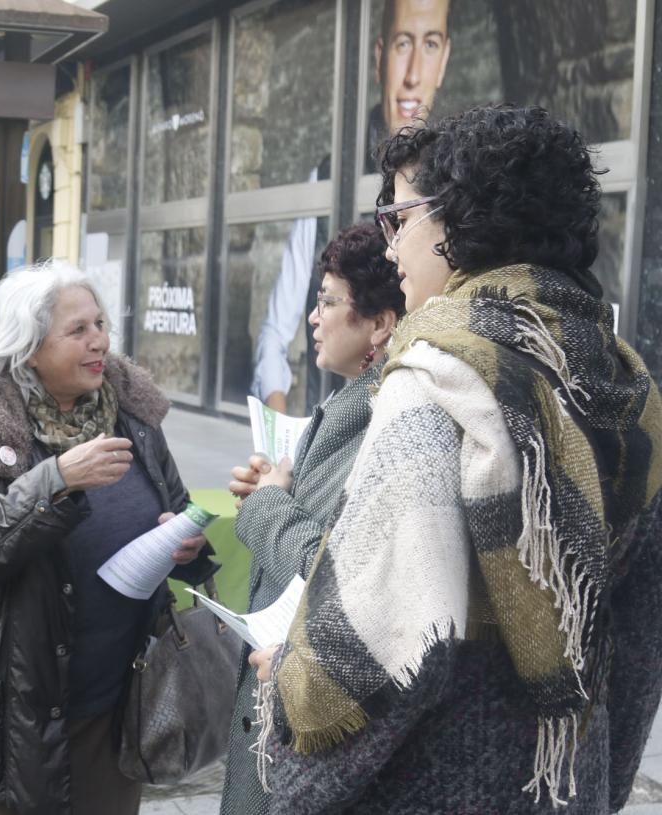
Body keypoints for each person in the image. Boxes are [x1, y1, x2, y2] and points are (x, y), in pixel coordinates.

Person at [250, 105, 662, 812]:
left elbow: (388, 643)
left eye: (400, 219)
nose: (389, 249)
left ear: (458, 224)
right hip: (561, 781)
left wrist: (286, 717)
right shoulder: (629, 387)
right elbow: (641, 648)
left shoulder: (441, 378)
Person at [0, 261, 218, 814]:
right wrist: (55, 480)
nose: (99, 340)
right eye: (77, 330)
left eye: (101, 324)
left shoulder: (135, 421)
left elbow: (175, 510)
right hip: (10, 717)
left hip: (117, 706)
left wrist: (188, 549)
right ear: (29, 347)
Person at [220, 223, 404, 815]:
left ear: (380, 323)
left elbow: (332, 568)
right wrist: (274, 490)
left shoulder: (389, 421)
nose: (313, 318)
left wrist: (270, 505)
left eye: (328, 301)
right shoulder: (348, 404)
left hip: (313, 710)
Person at [250, 0, 451, 410]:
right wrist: (278, 428)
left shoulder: (453, 184)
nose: (413, 74)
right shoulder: (328, 174)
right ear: (380, 56)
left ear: (445, 57)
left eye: (429, 45)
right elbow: (277, 327)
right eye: (402, 44)